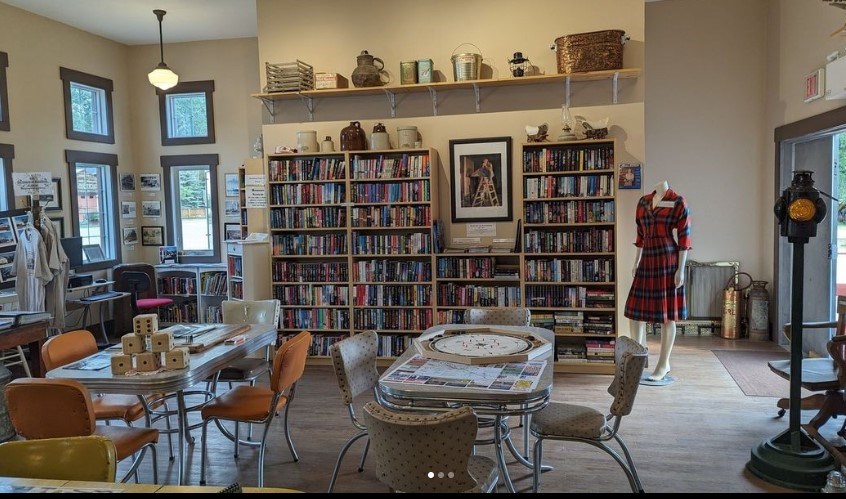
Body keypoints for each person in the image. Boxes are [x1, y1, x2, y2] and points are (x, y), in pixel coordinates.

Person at [624, 180, 691, 382]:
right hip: (646, 259)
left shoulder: (678, 201)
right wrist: (636, 261)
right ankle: (637, 359)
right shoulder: (643, 202)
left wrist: (681, 269)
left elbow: (684, 238)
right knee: (634, 312)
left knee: (667, 315)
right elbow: (640, 236)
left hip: (667, 259)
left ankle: (663, 364)